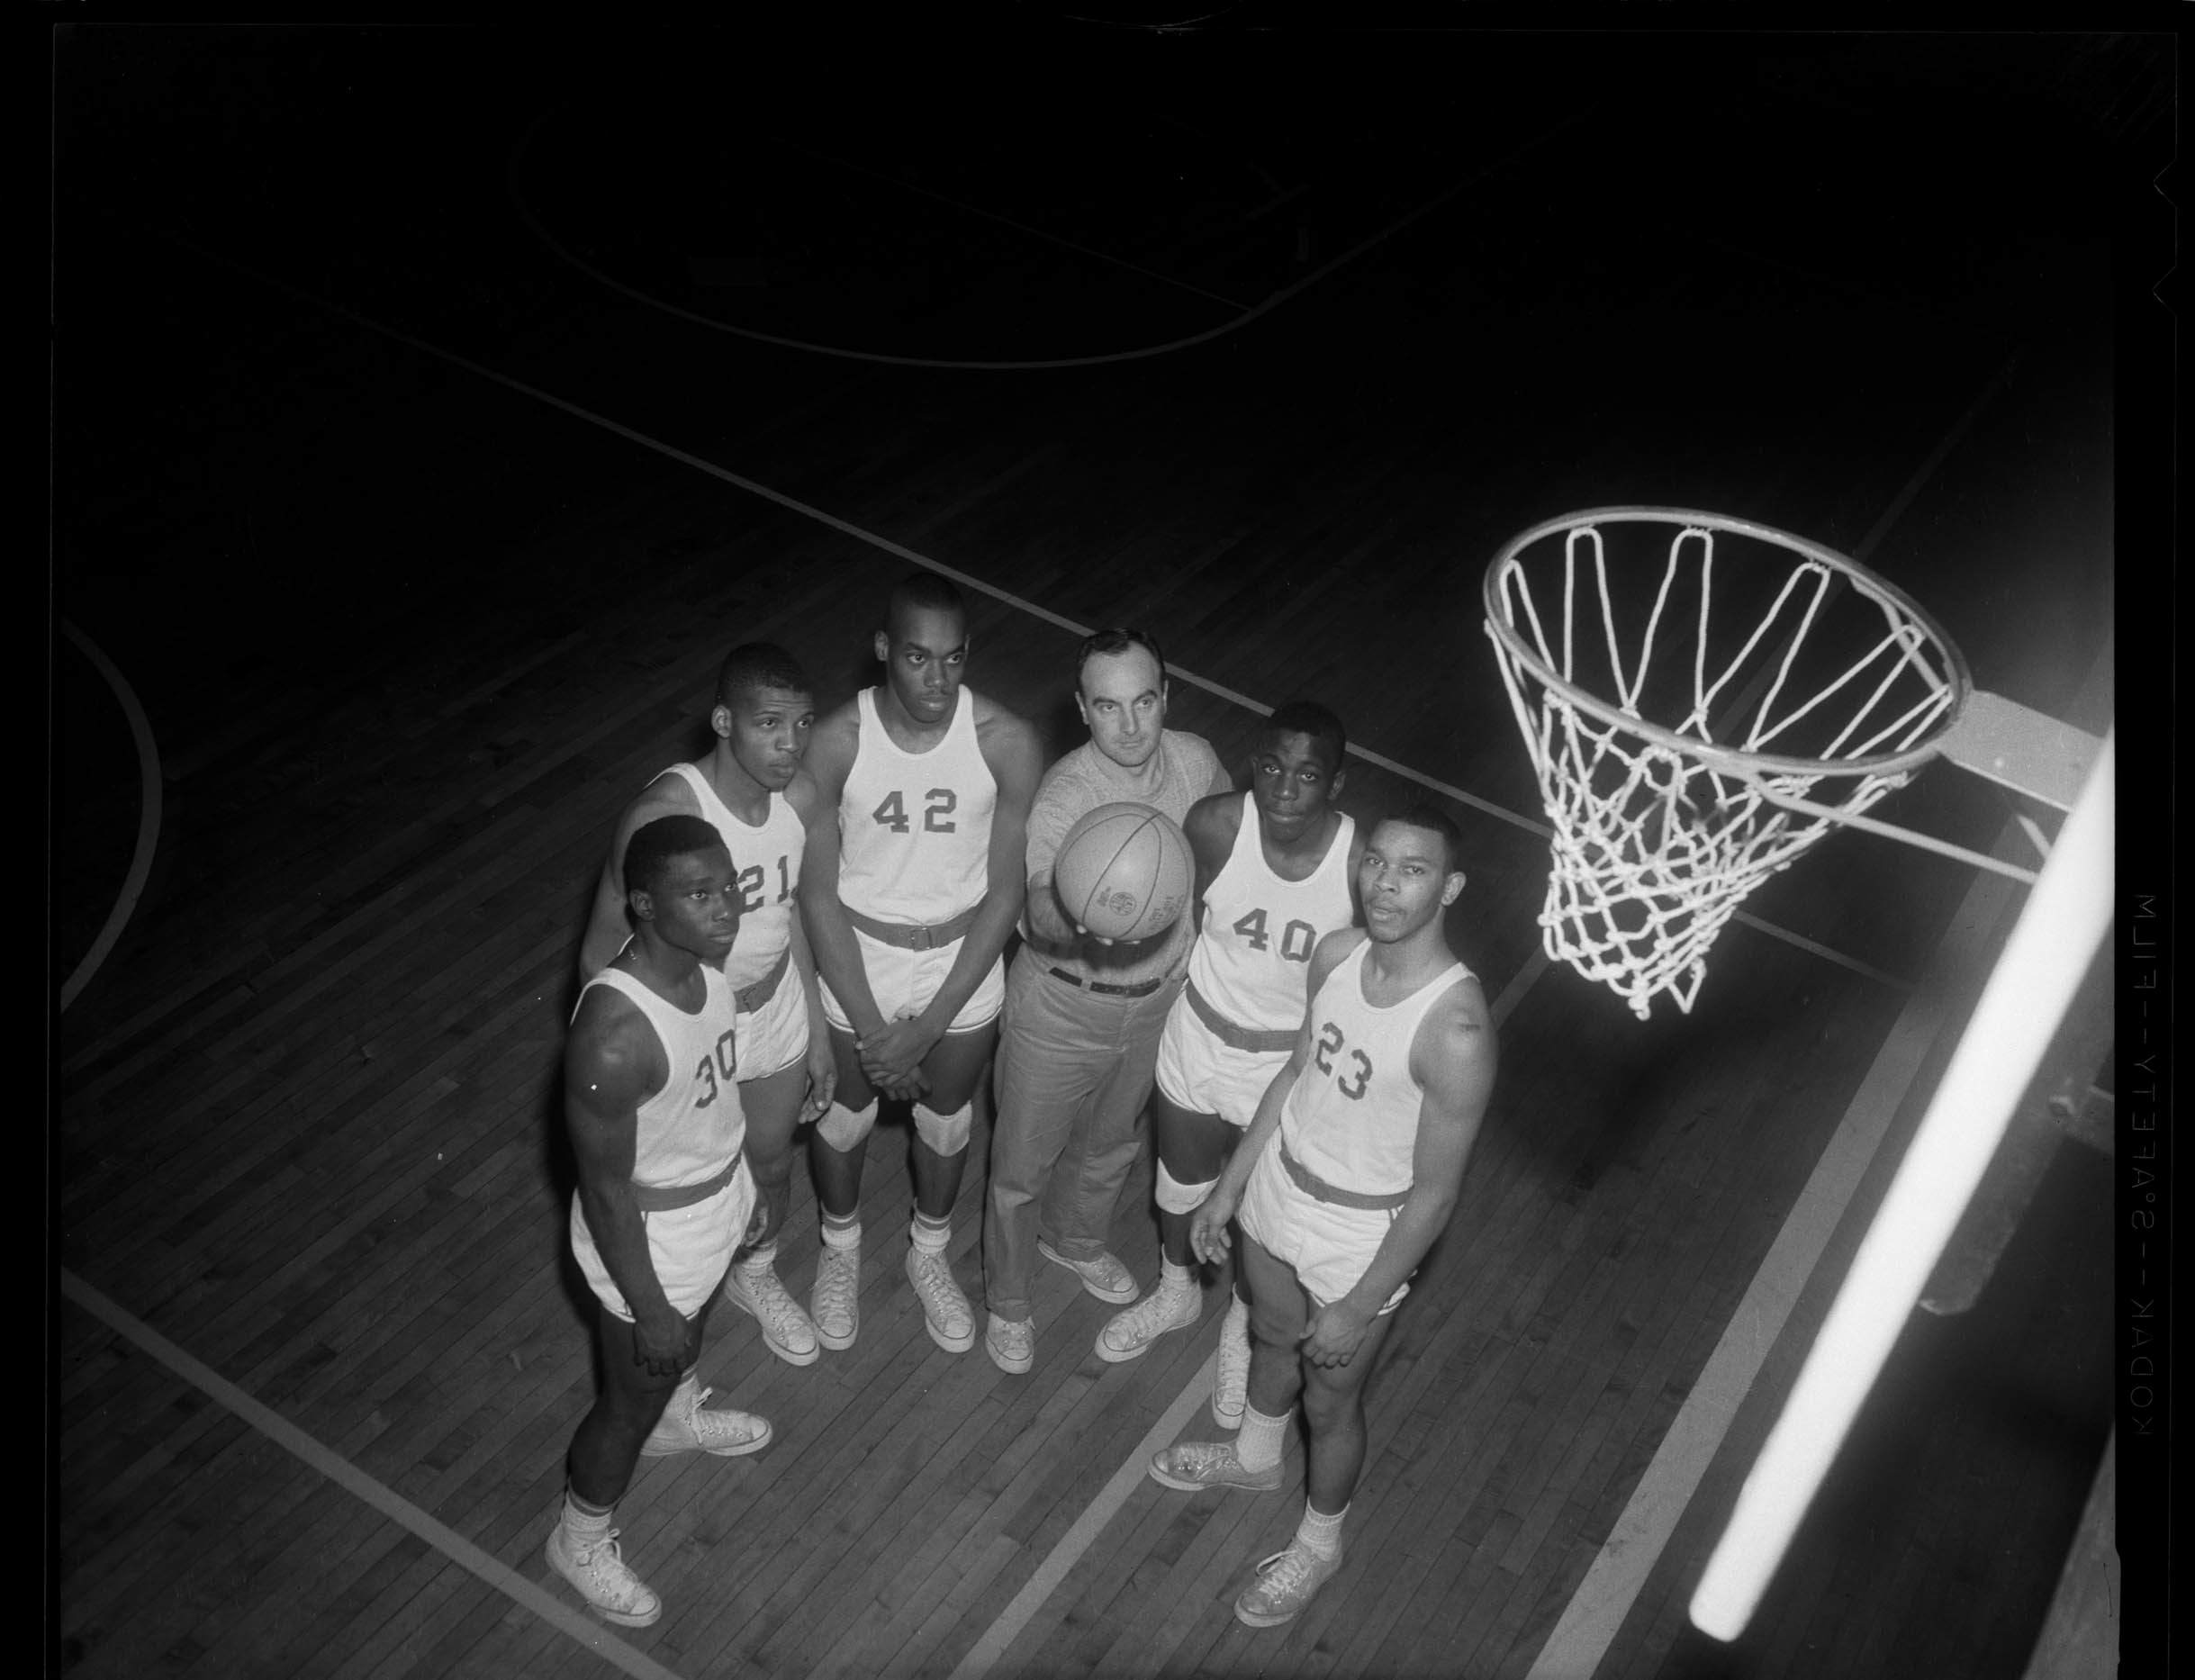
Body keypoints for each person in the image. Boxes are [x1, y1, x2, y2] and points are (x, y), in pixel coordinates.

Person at [1145, 804, 1495, 1629]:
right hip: (1279, 1186)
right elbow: (1295, 1073)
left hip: (1360, 1235)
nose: (1385, 882)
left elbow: (1436, 1196)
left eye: (1413, 870)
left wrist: (1359, 1301)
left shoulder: (1456, 1029)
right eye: (1376, 860)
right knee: (1271, 1336)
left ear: (1450, 887)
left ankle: (1320, 1543)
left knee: (1331, 1402)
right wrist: (1230, 1188)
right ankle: (1254, 1459)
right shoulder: (1337, 954)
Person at [1098, 702, 1361, 1429]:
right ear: (1254, 765)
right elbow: (1180, 916)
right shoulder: (1214, 825)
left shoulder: (1355, 865)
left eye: (1307, 776)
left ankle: (1242, 1327)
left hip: (1284, 1066)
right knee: (1179, 1187)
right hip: (1199, 1038)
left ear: (1335, 785)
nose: (1284, 789)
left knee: (1259, 1218)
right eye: (1272, 767)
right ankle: (1177, 1289)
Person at [797, 574, 1042, 1353]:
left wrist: (927, 1025)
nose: (937, 679)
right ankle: (841, 1249)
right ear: (882, 651)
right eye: (916, 657)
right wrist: (875, 1033)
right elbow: (819, 896)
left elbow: (1006, 896)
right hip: (857, 955)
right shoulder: (835, 742)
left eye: (953, 658)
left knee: (945, 1121)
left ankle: (928, 1252)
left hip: (962, 962)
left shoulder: (1006, 742)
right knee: (845, 1115)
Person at [980, 628, 1234, 1373]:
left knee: (1112, 1143)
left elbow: (1227, 847)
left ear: (1167, 697)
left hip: (1160, 1001)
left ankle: (1077, 1242)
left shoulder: (1195, 761)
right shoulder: (1067, 794)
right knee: (1022, 1166)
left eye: (1144, 701)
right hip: (1062, 1004)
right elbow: (1041, 911)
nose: (1129, 726)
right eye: (1108, 706)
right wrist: (1090, 918)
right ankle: (1010, 1301)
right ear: (1083, 711)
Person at [547, 815, 777, 1629]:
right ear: (644, 904)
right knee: (623, 1407)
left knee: (680, 1358)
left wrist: (742, 1187)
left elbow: (708, 1100)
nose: (728, 908)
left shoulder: (707, 971)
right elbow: (607, 1194)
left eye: (730, 887)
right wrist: (648, 1306)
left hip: (712, 1205)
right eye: (701, 894)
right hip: (652, 1241)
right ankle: (579, 1536)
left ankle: (677, 1420)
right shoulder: (611, 1040)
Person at [579, 643, 836, 1367]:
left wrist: (815, 1027)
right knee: (684, 1194)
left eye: (804, 723)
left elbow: (787, 917)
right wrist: (644, 1061)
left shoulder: (804, 800)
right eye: (770, 724)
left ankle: (755, 1277)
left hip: (778, 1003)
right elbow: (600, 956)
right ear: (725, 721)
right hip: (695, 1024)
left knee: (773, 1167)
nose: (791, 745)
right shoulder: (663, 814)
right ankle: (667, 1357)